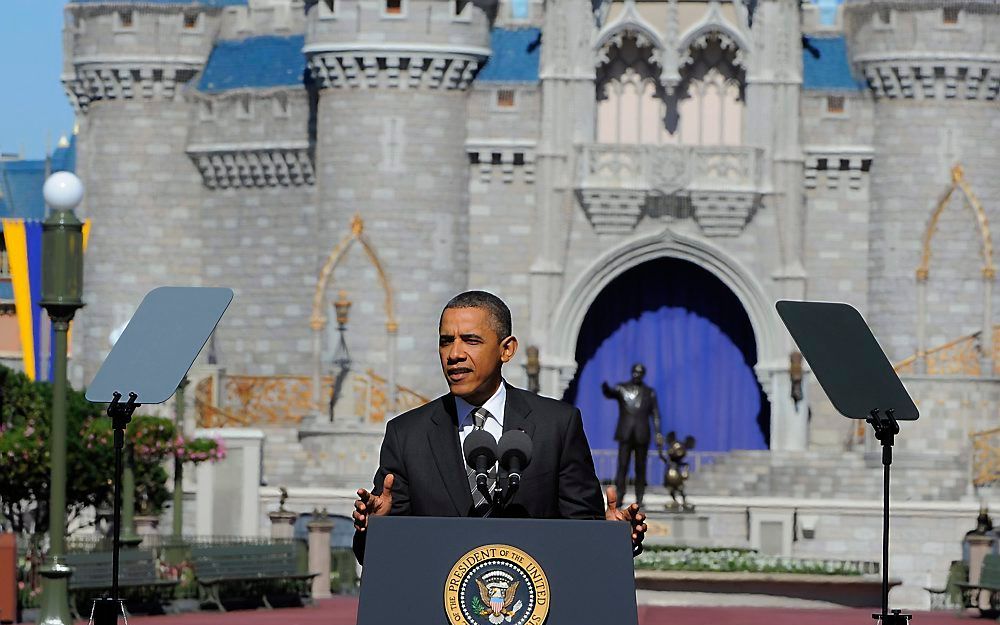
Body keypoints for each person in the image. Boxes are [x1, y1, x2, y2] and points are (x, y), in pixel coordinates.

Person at [352, 290, 648, 562]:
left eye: (471, 340)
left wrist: (611, 537)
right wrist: (376, 528)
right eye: (446, 341)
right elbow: (380, 558)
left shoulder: (557, 425)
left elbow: (585, 542)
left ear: (507, 349)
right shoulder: (407, 435)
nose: (454, 354)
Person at [602, 363, 664, 507]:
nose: (637, 374)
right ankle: (620, 496)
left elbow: (655, 414)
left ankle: (640, 498)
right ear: (631, 372)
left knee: (640, 468)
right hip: (626, 433)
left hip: (642, 434)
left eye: (640, 372)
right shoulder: (622, 388)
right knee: (622, 466)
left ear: (644, 374)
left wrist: (658, 432)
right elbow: (610, 393)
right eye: (635, 371)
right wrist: (605, 388)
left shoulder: (650, 392)